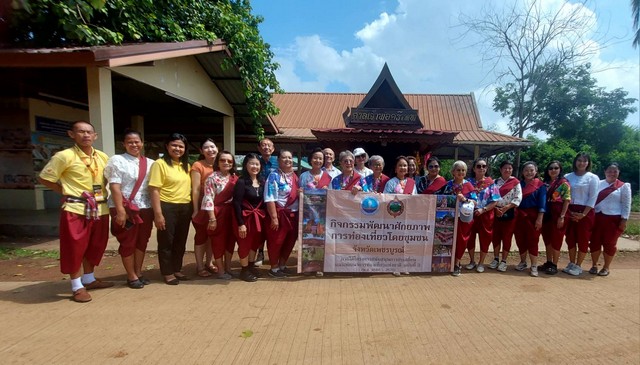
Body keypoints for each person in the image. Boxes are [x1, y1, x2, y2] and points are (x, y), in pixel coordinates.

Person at [38, 120, 113, 302]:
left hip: (100, 208)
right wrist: (64, 191)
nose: (86, 135)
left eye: (89, 132)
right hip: (76, 208)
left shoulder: (102, 157)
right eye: (81, 132)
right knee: (75, 247)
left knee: (96, 245)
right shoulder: (64, 156)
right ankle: (76, 286)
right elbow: (45, 178)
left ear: (95, 136)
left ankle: (89, 278)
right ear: (72, 134)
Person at [104, 130, 155, 289]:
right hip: (125, 207)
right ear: (124, 144)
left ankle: (138, 272)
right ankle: (131, 275)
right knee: (128, 241)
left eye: (137, 141)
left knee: (142, 240)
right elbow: (114, 186)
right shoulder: (117, 160)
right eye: (130, 142)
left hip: (145, 207)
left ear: (142, 143)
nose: (134, 145)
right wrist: (120, 210)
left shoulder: (151, 163)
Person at [148, 133, 192, 285]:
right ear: (167, 146)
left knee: (181, 240)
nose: (177, 149)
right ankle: (167, 272)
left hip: (185, 207)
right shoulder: (159, 164)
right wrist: (158, 214)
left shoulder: (186, 165)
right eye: (174, 145)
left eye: (181, 146)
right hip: (167, 206)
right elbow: (154, 189)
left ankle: (177, 269)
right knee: (166, 241)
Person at [588, 162, 631, 276]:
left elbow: (626, 204)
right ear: (605, 172)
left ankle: (606, 267)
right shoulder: (598, 183)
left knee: (610, 243)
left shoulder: (623, 186)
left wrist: (624, 219)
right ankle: (594, 265)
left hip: (613, 219)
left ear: (618, 172)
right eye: (609, 171)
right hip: (597, 217)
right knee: (594, 242)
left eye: (615, 171)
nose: (612, 173)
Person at [202, 150, 238, 280]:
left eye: (229, 161)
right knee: (218, 241)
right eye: (223, 160)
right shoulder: (212, 178)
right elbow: (208, 199)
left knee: (230, 240)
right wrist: (212, 218)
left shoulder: (235, 178)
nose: (226, 163)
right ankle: (220, 270)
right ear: (218, 162)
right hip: (217, 213)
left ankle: (228, 268)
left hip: (231, 212)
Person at [264, 149, 300, 278]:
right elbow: (269, 197)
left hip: (293, 214)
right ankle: (274, 268)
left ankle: (282, 265)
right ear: (278, 160)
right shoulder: (273, 176)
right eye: (284, 157)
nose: (287, 160)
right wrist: (274, 217)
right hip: (279, 214)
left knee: (290, 241)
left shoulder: (295, 177)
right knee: (276, 241)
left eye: (290, 158)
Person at [563, 152, 599, 276]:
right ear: (575, 161)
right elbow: (564, 194)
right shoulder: (568, 176)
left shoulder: (593, 177)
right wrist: (568, 211)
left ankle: (579, 265)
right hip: (570, 209)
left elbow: (593, 197)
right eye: (579, 160)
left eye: (584, 161)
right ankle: (572, 263)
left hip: (586, 211)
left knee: (583, 239)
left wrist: (583, 214)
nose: (581, 163)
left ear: (588, 163)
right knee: (570, 238)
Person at [233, 153, 267, 282]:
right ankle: (244, 269)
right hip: (246, 219)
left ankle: (251, 266)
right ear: (246, 165)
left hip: (258, 219)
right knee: (244, 244)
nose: (254, 166)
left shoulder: (262, 182)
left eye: (257, 164)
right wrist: (240, 223)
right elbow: (236, 203)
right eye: (252, 163)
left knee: (255, 243)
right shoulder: (241, 182)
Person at [442, 161, 477, 277]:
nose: (460, 172)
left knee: (462, 240)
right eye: (458, 170)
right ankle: (448, 262)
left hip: (464, 217)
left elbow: (475, 202)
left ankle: (457, 263)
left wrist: (464, 199)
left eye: (463, 170)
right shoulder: (448, 185)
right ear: (453, 172)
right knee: (448, 238)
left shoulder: (469, 185)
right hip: (450, 217)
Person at [190, 139, 218, 278]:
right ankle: (200, 266)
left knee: (211, 236)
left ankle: (209, 263)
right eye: (206, 147)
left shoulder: (219, 165)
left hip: (216, 208)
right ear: (201, 151)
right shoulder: (198, 165)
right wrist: (195, 209)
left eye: (212, 147)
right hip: (202, 207)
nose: (210, 150)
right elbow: (195, 189)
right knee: (201, 236)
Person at [513, 161, 546, 277]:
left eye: (531, 170)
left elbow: (542, 203)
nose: (529, 172)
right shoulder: (518, 184)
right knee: (520, 239)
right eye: (526, 170)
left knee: (533, 240)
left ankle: (534, 265)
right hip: (520, 216)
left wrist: (540, 218)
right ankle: (523, 262)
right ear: (522, 172)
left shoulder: (540, 185)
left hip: (533, 216)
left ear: (536, 171)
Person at [467, 158, 500, 273]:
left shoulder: (491, 183)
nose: (481, 168)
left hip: (486, 214)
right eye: (479, 166)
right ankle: (472, 261)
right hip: (470, 214)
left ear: (486, 168)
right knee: (469, 237)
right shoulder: (468, 182)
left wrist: (483, 209)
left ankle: (481, 262)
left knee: (485, 238)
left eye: (484, 166)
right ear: (474, 168)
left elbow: (495, 201)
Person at [539, 161, 571, 275]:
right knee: (547, 239)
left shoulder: (564, 183)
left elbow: (567, 200)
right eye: (551, 168)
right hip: (547, 212)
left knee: (556, 239)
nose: (553, 170)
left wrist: (562, 216)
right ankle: (548, 261)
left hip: (558, 213)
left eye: (556, 168)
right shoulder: (545, 183)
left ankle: (554, 264)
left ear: (560, 169)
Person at [491, 161, 522, 272]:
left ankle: (504, 261)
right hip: (496, 211)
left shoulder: (516, 182)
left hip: (509, 212)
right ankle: (495, 258)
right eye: (505, 168)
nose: (507, 170)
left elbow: (518, 198)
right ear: (501, 169)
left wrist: (506, 208)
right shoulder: (495, 182)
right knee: (496, 236)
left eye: (510, 168)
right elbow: (490, 197)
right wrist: (495, 209)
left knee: (507, 237)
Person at [256, 137, 277, 265]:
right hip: (258, 200)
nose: (266, 147)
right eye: (263, 145)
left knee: (273, 227)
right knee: (259, 229)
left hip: (274, 201)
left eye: (269, 145)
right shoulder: (255, 161)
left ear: (273, 149)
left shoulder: (277, 162)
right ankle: (260, 253)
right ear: (259, 148)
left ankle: (274, 255)